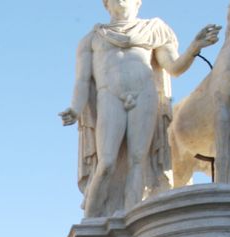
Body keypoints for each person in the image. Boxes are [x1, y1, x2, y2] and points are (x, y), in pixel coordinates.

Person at [59, 0, 220, 217]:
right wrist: (75, 109)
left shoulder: (154, 29)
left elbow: (173, 67)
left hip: (145, 96)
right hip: (110, 97)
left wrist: (194, 47)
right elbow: (82, 81)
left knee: (138, 161)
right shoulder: (93, 38)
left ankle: (131, 217)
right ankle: (91, 222)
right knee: (106, 162)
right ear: (107, 4)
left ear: (138, 2)